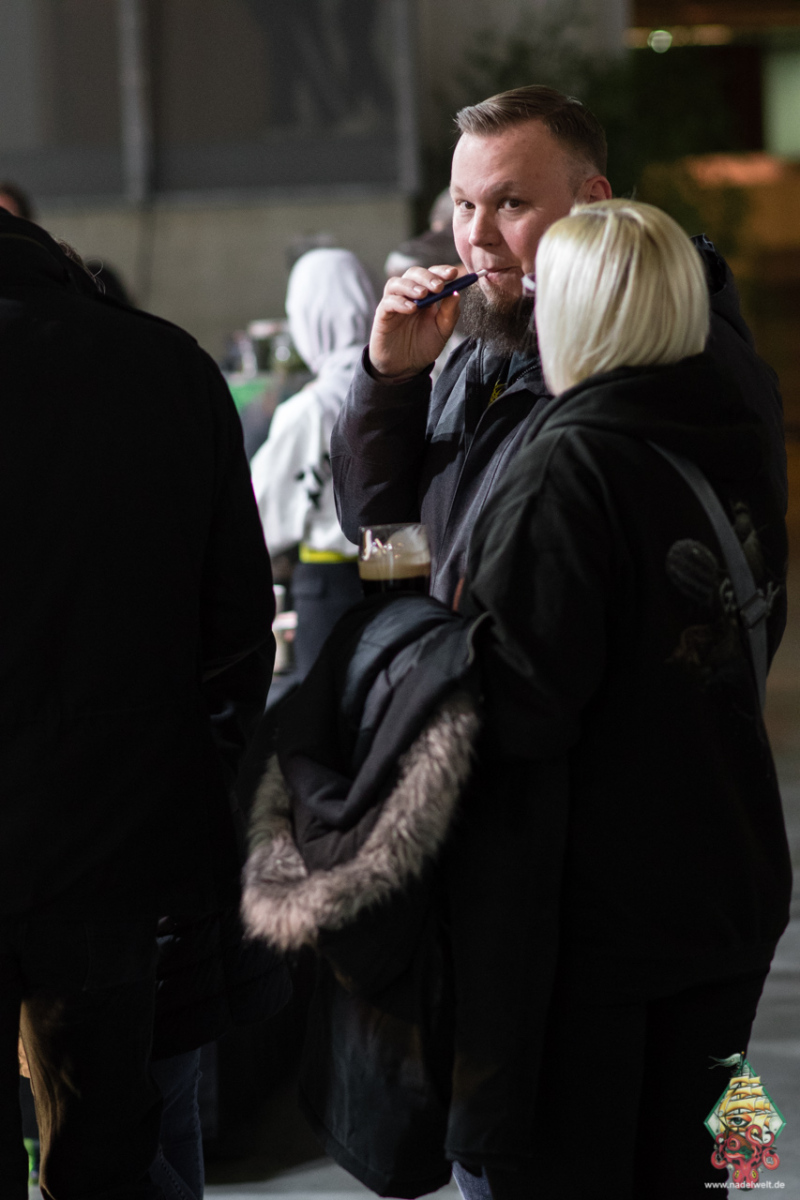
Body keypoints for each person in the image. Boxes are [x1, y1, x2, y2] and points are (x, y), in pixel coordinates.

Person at [453, 200, 791, 1198]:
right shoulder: (734, 433)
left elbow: (518, 707)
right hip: (728, 886)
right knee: (699, 1171)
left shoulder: (570, 464)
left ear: (581, 312)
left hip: (597, 919)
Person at [0, 206, 277, 1199]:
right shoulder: (163, 367)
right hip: (110, 845)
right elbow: (237, 628)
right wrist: (176, 776)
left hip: (101, 830)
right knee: (103, 1149)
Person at [331, 85, 787, 606]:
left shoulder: (672, 363)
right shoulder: (488, 349)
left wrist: (405, 638)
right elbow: (377, 526)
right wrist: (391, 381)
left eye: (511, 203)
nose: (477, 235)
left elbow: (716, 596)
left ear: (592, 202)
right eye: (464, 205)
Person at [250, 247, 376, 678]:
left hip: (329, 590)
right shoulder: (417, 382)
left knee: (325, 709)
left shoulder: (309, 409)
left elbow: (259, 515)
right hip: (406, 580)